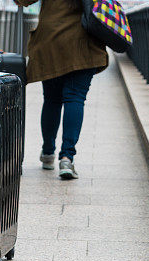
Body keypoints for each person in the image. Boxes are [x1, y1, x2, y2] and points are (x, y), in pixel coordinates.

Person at [16, 0, 107, 180]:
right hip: (83, 41)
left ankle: (48, 153)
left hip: (51, 42)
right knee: (75, 98)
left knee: (51, 100)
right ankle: (67, 158)